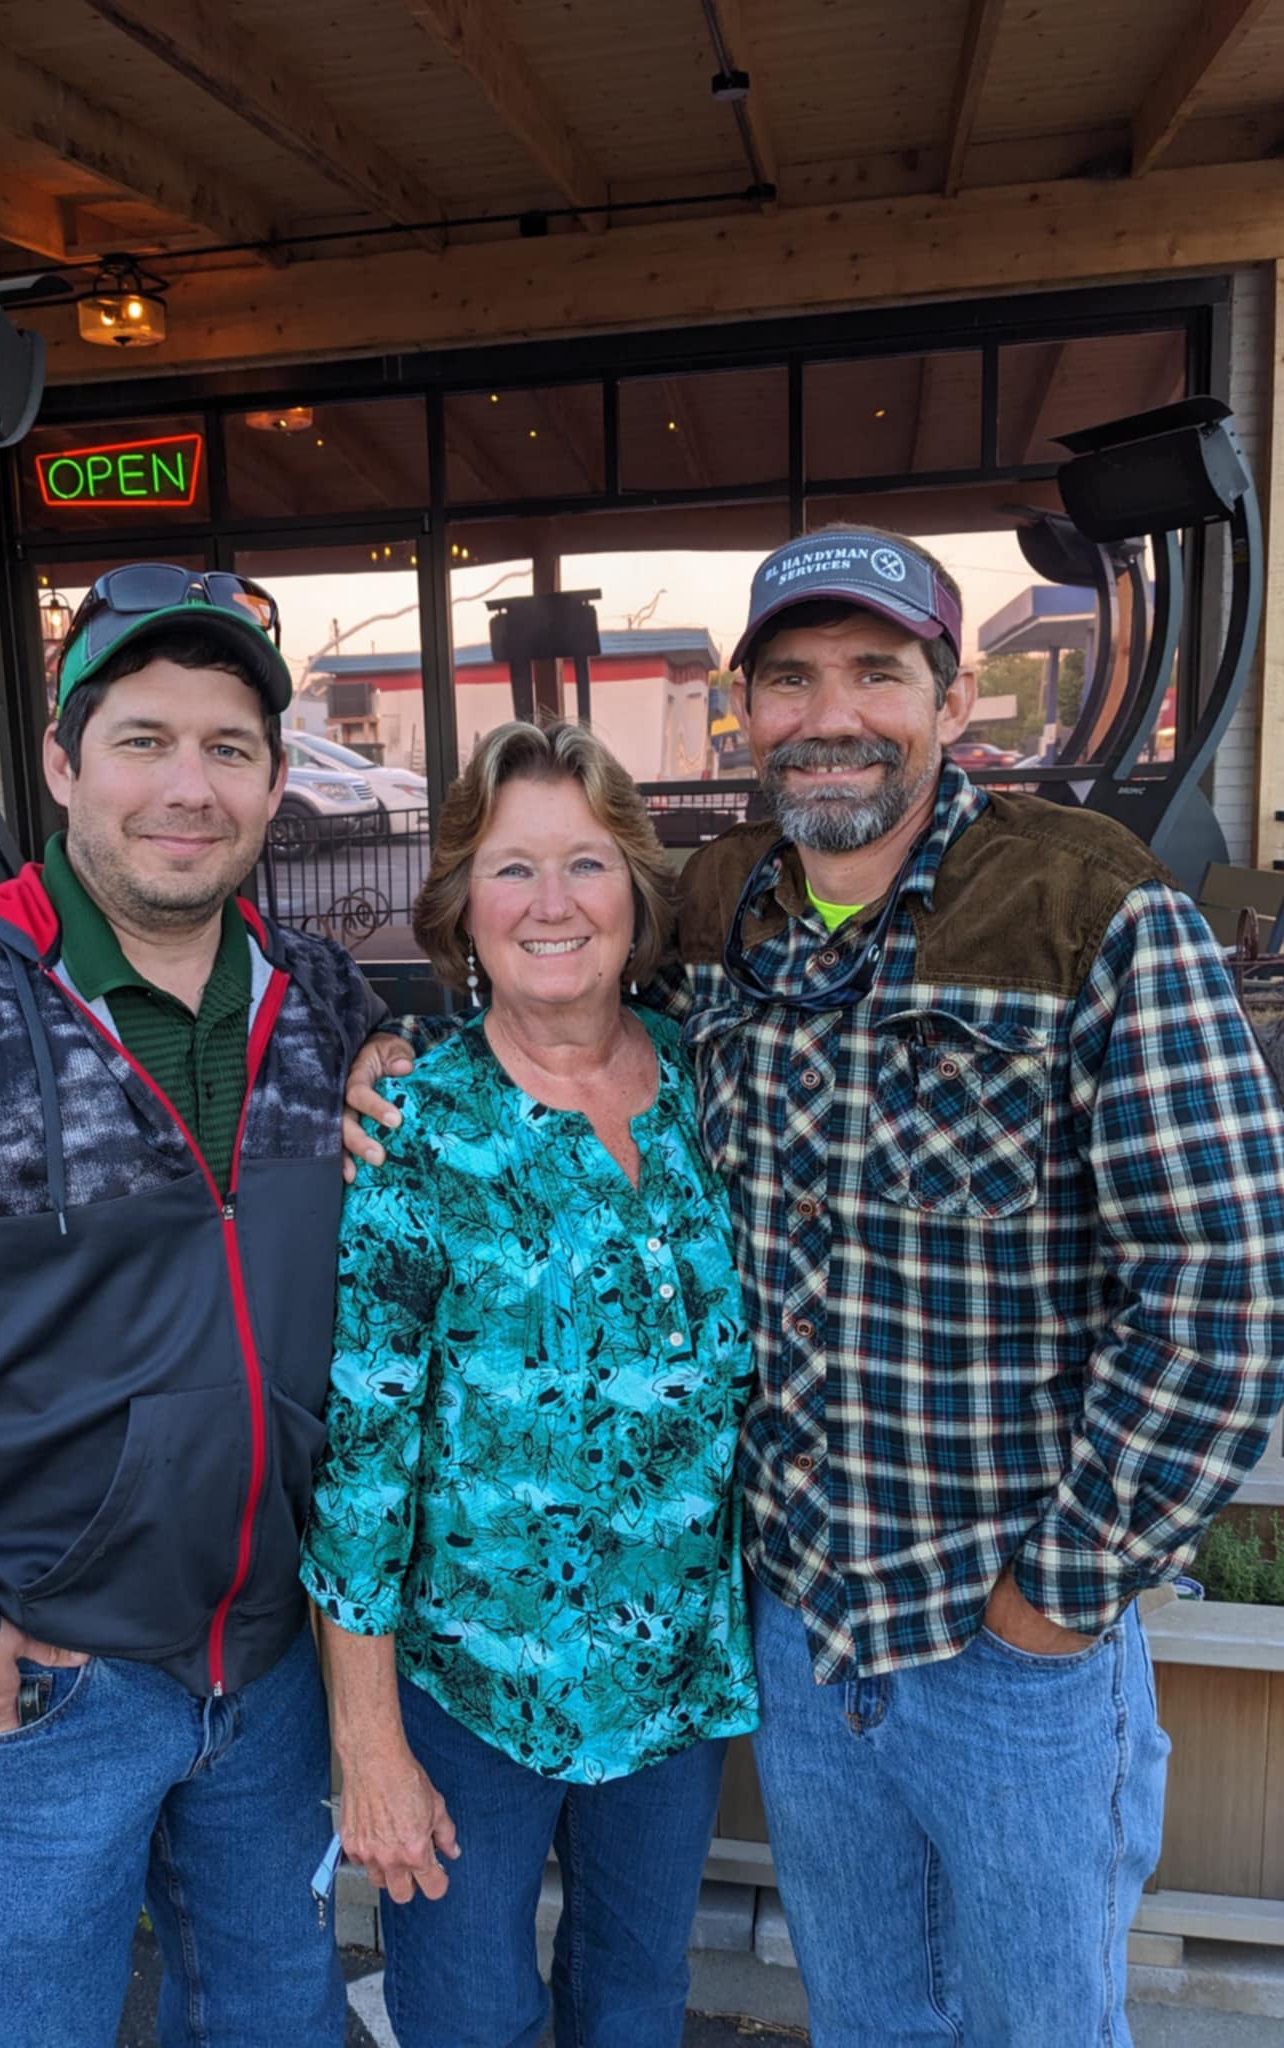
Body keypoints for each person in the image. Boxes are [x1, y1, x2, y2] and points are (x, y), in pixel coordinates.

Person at [346, 529, 1284, 2046]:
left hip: (1007, 1652)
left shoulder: (1087, 912)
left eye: (874, 672)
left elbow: (1228, 1299)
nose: (828, 712)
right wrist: (388, 1058)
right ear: (747, 715)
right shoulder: (722, 923)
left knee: (1040, 2028)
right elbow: (548, 977)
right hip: (799, 1634)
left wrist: (1058, 1597)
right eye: (789, 679)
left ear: (953, 696)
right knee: (868, 2022)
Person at [0, 565, 388, 2048]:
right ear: (62, 763)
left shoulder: (332, 1008)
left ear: (277, 782)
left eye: (229, 749)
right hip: (28, 1687)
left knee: (274, 2026)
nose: (189, 787)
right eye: (143, 740)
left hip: (273, 1668)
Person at [303, 719, 757, 2048]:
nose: (552, 905)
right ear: (461, 905)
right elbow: (364, 1468)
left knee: (633, 2003)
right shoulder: (413, 1128)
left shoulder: (712, 1085)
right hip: (469, 1693)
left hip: (675, 1684)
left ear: (635, 892)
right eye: (511, 870)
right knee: (467, 2012)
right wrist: (369, 1749)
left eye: (586, 865)